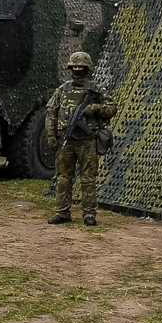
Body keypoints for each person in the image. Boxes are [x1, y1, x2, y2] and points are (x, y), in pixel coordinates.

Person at [44, 50, 116, 225]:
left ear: (87, 68)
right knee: (63, 178)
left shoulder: (95, 89)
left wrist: (95, 108)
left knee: (88, 179)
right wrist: (51, 135)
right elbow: (51, 113)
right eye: (75, 67)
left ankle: (89, 214)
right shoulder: (63, 89)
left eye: (81, 67)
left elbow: (112, 108)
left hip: (87, 141)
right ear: (70, 68)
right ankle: (62, 212)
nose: (77, 69)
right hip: (66, 141)